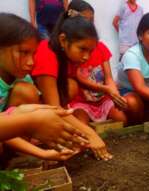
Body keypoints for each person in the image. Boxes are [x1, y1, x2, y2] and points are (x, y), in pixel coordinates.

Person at [0, 13, 88, 161]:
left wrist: (44, 152)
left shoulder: (24, 78)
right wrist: (41, 150)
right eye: (24, 52)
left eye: (33, 54)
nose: (31, 62)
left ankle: (17, 156)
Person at [32, 8, 113, 160]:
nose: (86, 57)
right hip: (23, 107)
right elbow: (55, 109)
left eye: (90, 51)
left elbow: (60, 106)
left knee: (72, 85)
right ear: (63, 40)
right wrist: (90, 134)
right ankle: (35, 135)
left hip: (47, 106)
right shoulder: (47, 54)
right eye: (82, 49)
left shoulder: (66, 55)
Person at [66, 0, 128, 125]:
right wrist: (107, 89)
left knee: (122, 120)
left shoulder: (100, 47)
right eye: (85, 20)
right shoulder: (70, 51)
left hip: (103, 100)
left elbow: (109, 77)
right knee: (81, 126)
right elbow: (80, 80)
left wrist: (115, 94)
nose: (89, 24)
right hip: (80, 102)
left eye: (92, 20)